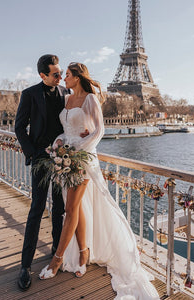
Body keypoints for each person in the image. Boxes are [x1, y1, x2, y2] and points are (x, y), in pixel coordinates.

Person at [39, 62, 160, 299]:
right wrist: (59, 143)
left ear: (77, 77)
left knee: (71, 209)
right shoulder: (66, 100)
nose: (64, 78)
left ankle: (57, 260)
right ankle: (83, 253)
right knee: (77, 209)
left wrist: (75, 150)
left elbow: (99, 131)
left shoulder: (91, 99)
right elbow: (68, 130)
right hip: (67, 158)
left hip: (82, 160)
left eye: (67, 75)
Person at [15, 54, 88, 291]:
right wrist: (33, 154)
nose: (59, 77)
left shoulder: (65, 94)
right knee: (36, 209)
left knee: (59, 210)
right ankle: (25, 266)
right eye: (55, 74)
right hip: (40, 161)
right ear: (42, 75)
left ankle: (57, 254)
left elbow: (78, 119)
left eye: (60, 73)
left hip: (62, 160)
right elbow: (19, 127)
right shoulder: (29, 94)